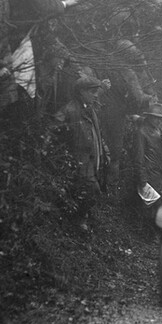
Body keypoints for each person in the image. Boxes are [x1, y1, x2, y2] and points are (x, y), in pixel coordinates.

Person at [53, 75, 109, 232]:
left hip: (92, 161)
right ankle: (78, 220)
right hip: (79, 161)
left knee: (92, 190)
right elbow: (53, 131)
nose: (96, 94)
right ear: (81, 92)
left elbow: (97, 133)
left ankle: (81, 217)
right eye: (92, 91)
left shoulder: (91, 110)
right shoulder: (69, 110)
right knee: (91, 190)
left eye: (96, 91)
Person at [134, 103, 162, 212]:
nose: (159, 121)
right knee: (151, 209)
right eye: (156, 118)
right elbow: (138, 157)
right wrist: (142, 180)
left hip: (161, 174)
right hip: (149, 176)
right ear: (149, 117)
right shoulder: (141, 132)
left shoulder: (159, 130)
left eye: (160, 119)